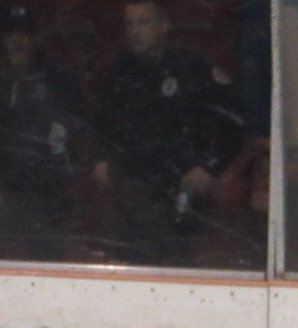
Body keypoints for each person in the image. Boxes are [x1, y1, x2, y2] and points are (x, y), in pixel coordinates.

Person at [91, 0, 248, 265]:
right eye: (129, 23)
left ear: (164, 26)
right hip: (131, 190)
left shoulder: (191, 68)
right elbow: (99, 124)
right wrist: (100, 160)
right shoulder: (118, 74)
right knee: (131, 268)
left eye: (144, 22)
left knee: (175, 267)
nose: (135, 30)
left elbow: (234, 121)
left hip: (178, 188)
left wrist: (210, 167)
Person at [0, 4, 84, 260]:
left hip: (46, 194)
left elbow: (75, 132)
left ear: (36, 38)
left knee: (47, 261)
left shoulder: (58, 78)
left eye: (24, 34)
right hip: (5, 190)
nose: (18, 40)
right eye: (11, 33)